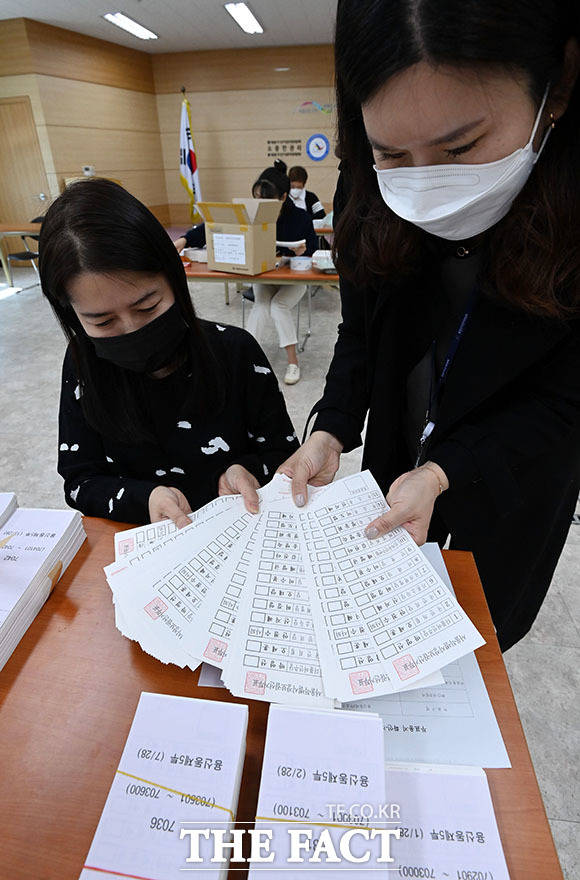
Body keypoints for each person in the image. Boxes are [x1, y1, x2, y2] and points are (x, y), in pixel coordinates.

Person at [280, 0, 580, 652]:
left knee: (476, 631)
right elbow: (360, 332)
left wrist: (445, 472)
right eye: (392, 153)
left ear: (555, 88)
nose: (427, 184)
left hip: (512, 478)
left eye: (461, 146)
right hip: (396, 463)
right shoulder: (364, 185)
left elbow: (565, 402)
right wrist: (332, 427)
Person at [39, 178, 299, 527]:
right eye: (102, 322)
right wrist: (145, 498)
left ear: (175, 279)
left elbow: (282, 453)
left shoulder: (237, 352)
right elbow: (80, 480)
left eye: (148, 306)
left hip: (238, 533)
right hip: (147, 544)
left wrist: (246, 471)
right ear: (71, 314)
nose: (132, 331)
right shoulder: (82, 365)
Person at [246, 160, 318, 386]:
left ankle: (293, 362)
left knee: (278, 306)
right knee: (261, 306)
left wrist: (304, 252)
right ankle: (246, 360)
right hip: (266, 275)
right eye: (258, 199)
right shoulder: (254, 216)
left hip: (293, 279)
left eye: (268, 200)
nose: (261, 205)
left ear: (284, 197)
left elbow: (315, 253)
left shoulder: (301, 218)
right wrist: (185, 239)